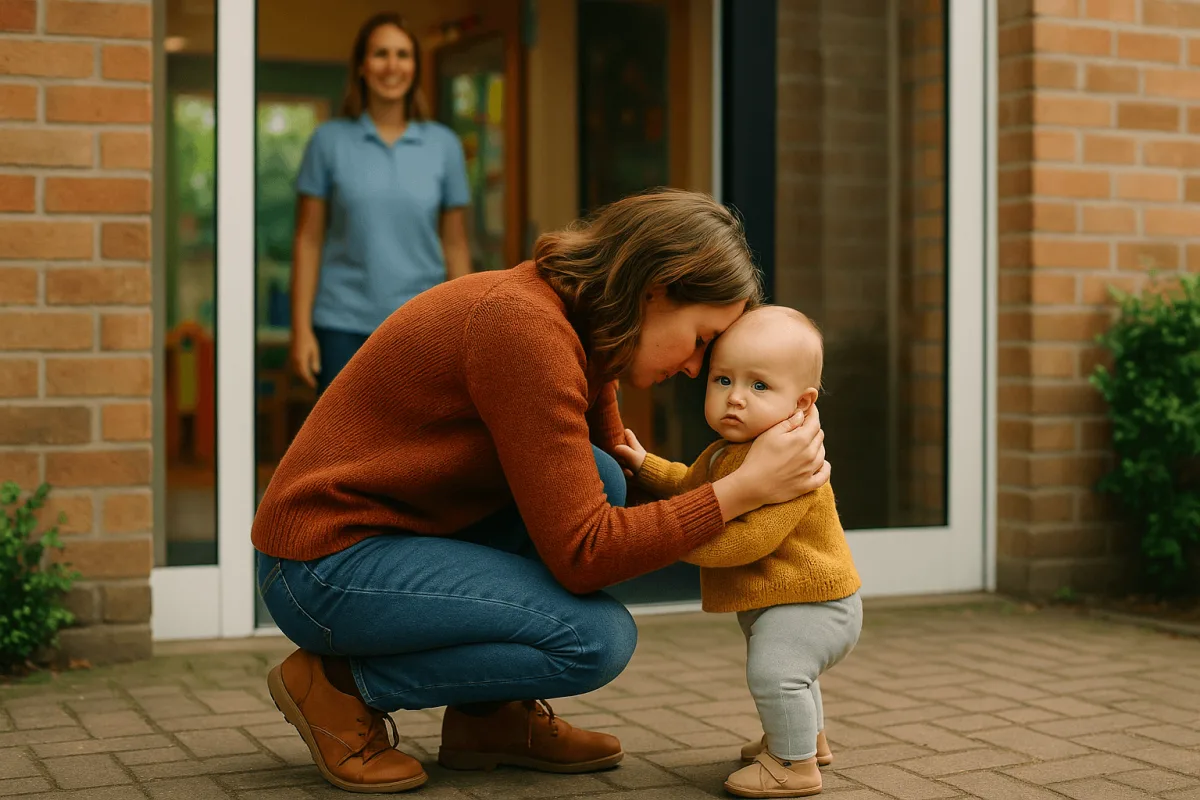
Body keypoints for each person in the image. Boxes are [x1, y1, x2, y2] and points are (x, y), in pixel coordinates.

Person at [252, 188, 832, 794]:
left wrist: (764, 477)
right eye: (700, 339)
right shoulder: (523, 328)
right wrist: (741, 490)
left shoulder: (585, 333)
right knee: (593, 640)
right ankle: (339, 688)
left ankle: (488, 720)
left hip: (399, 539)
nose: (695, 368)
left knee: (602, 474)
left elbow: (620, 485)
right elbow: (587, 553)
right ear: (657, 289)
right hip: (324, 563)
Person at [615, 305, 862, 798]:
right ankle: (804, 739)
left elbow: (746, 542)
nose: (736, 399)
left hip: (816, 603)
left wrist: (666, 541)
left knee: (776, 671)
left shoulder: (793, 464)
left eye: (759, 386)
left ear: (802, 402)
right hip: (782, 600)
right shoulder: (726, 451)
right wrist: (645, 466)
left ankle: (793, 766)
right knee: (785, 668)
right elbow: (692, 486)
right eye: (723, 380)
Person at [289, 12, 472, 394]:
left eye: (403, 55)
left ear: (415, 68)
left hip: (422, 323)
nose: (393, 66)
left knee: (415, 450)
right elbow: (308, 240)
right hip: (342, 324)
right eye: (381, 54)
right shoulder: (328, 142)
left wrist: (465, 330)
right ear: (361, 66)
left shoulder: (444, 146)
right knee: (340, 448)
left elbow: (455, 245)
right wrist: (301, 330)